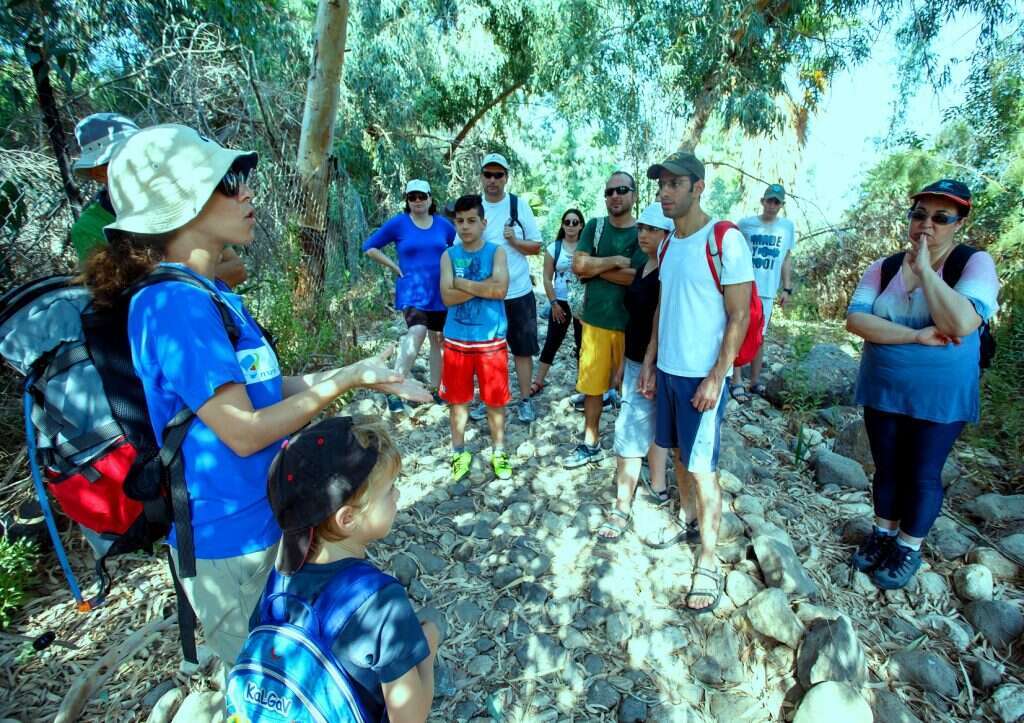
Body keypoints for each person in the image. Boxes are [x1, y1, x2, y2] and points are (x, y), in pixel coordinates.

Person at [82, 124, 429, 667]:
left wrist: (357, 372)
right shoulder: (173, 305)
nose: (246, 192)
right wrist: (343, 383)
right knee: (267, 681)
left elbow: (266, 390)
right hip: (231, 541)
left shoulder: (212, 293)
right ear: (180, 204)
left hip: (271, 520)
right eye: (228, 182)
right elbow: (243, 432)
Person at [846, 179, 999, 590]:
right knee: (887, 465)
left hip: (941, 396)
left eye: (941, 217)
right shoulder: (884, 267)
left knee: (923, 472)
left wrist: (928, 271)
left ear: (959, 223)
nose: (927, 224)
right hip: (884, 388)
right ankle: (883, 534)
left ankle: (908, 547)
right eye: (919, 214)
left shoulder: (974, 264)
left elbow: (960, 322)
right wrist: (915, 335)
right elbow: (857, 320)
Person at [256, 417, 440, 722]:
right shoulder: (380, 602)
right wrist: (428, 652)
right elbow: (408, 718)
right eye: (389, 490)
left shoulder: (279, 579)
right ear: (347, 519)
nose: (397, 495)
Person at [640, 151, 754, 614]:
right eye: (661, 184)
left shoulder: (724, 240)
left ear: (698, 187)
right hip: (669, 370)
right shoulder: (668, 244)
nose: (665, 192)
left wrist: (716, 376)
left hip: (701, 378)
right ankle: (688, 520)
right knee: (678, 456)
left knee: (704, 467)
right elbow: (663, 307)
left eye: (675, 184)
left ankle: (708, 560)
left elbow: (739, 315)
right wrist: (650, 360)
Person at [70, 113, 247, 287]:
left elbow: (236, 269)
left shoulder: (175, 199)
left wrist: (170, 281)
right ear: (99, 173)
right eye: (122, 159)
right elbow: (121, 293)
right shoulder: (89, 227)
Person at [596, 203, 672, 542]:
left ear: (668, 233)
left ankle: (625, 504)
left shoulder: (669, 269)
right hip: (634, 360)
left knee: (632, 428)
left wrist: (650, 364)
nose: (644, 234)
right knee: (640, 423)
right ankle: (654, 488)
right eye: (641, 228)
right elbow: (633, 318)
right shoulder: (645, 265)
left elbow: (663, 319)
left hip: (654, 363)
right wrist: (622, 366)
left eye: (652, 229)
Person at [561, 171, 645, 468]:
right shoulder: (595, 226)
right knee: (592, 387)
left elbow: (636, 277)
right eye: (609, 192)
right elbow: (578, 265)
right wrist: (614, 261)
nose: (615, 196)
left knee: (633, 391)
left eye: (621, 190)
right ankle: (590, 443)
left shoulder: (643, 232)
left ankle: (633, 450)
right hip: (595, 322)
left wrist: (594, 269)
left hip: (632, 325)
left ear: (634, 194)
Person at [363, 180, 456, 411]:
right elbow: (370, 247)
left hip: (440, 291)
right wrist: (394, 267)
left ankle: (436, 389)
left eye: (421, 196)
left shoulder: (443, 225)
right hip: (412, 291)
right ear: (407, 200)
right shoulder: (399, 223)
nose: (417, 201)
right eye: (412, 197)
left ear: (430, 198)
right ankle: (394, 387)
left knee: (439, 339)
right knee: (417, 331)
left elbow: (459, 247)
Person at [439, 194, 512, 482]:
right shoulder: (448, 255)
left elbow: (500, 290)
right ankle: (459, 452)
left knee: (495, 401)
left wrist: (461, 283)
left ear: (483, 222)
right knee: (457, 402)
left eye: (472, 220)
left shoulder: (497, 253)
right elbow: (447, 297)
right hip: (457, 341)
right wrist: (484, 285)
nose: (465, 226)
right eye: (460, 221)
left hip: (491, 342)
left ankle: (499, 451)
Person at [471, 152, 543, 424]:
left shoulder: (518, 206)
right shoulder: (473, 208)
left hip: (518, 292)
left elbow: (536, 246)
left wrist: (514, 241)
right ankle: (489, 399)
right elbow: (458, 246)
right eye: (487, 174)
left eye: (498, 175)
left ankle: (525, 400)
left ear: (506, 177)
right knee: (488, 350)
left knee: (522, 350)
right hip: (486, 294)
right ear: (481, 177)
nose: (492, 180)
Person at [731, 183, 796, 401]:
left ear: (781, 205)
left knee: (759, 336)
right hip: (745, 286)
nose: (772, 205)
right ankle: (736, 379)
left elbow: (786, 258)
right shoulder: (745, 224)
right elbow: (733, 250)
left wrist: (787, 288)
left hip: (767, 290)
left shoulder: (787, 227)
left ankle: (754, 381)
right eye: (769, 200)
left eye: (777, 202)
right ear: (763, 201)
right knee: (739, 330)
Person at [530, 208, 585, 396]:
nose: (571, 225)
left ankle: (583, 383)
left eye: (575, 222)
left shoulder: (586, 247)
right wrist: (553, 303)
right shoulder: (554, 248)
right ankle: (538, 381)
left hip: (581, 302)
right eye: (567, 222)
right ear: (562, 224)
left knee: (582, 342)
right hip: (560, 302)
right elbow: (547, 278)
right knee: (552, 341)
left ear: (581, 225)